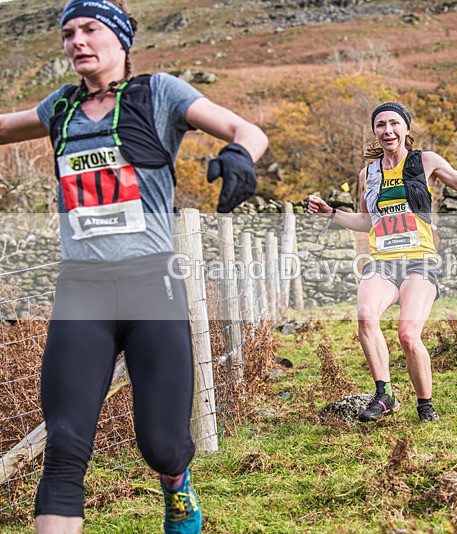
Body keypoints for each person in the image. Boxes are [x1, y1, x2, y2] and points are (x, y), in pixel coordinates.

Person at [0, 0, 268, 532]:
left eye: (90, 30)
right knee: (66, 441)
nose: (77, 41)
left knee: (163, 444)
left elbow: (247, 130)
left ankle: (177, 484)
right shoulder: (60, 109)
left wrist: (239, 156)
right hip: (82, 288)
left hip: (151, 284)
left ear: (120, 38)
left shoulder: (158, 93)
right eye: (68, 32)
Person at [308, 101, 457, 423]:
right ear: (374, 132)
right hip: (382, 262)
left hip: (419, 263)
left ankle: (425, 406)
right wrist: (331, 212)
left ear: (406, 129)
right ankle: (385, 395)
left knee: (408, 336)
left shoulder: (426, 162)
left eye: (394, 123)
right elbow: (366, 221)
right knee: (365, 314)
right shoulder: (368, 174)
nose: (388, 130)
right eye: (381, 125)